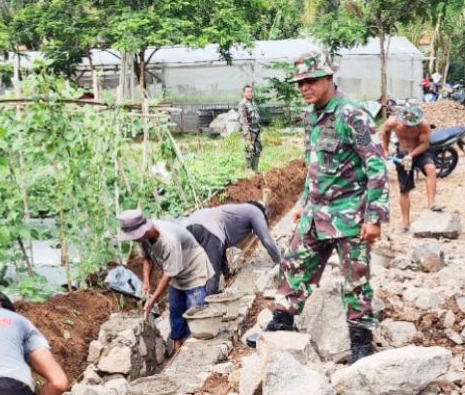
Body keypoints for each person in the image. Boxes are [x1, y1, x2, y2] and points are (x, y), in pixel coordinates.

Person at [255, 51, 389, 364]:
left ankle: (360, 342)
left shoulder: (351, 114)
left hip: (349, 214)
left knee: (355, 280)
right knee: (294, 264)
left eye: (311, 80)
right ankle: (283, 320)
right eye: (300, 82)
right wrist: (303, 202)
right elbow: (316, 165)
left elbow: (377, 167)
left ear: (329, 78)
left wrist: (375, 217)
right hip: (316, 213)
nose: (304, 87)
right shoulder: (313, 116)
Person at [118, 209, 214, 353]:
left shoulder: (168, 241)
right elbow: (147, 259)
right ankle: (177, 346)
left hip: (193, 270)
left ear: (143, 231)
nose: (133, 239)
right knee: (176, 309)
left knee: (195, 311)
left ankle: (195, 350)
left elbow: (168, 275)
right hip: (176, 272)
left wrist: (152, 301)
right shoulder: (144, 237)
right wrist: (146, 282)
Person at [185, 201, 281, 294]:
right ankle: (208, 304)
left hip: (190, 224)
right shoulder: (256, 212)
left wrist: (227, 272)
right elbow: (266, 239)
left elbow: (220, 248)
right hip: (208, 228)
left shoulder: (239, 211)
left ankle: (189, 297)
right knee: (213, 275)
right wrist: (280, 260)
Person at [381, 105, 440, 231]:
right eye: (408, 124)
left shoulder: (424, 125)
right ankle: (406, 223)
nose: (411, 127)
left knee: (431, 169)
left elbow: (425, 144)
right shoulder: (393, 122)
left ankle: (431, 204)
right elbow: (385, 132)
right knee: (404, 189)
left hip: (420, 152)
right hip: (402, 153)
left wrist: (411, 156)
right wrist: (385, 149)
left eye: (414, 124)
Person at [239, 85, 262, 172]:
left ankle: (255, 170)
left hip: (256, 129)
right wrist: (246, 132)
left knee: (258, 149)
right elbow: (243, 119)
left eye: (251, 91)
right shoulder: (242, 104)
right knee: (249, 150)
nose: (250, 93)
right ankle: (249, 170)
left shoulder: (253, 103)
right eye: (248, 92)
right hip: (250, 131)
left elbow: (256, 116)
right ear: (244, 93)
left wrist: (259, 127)